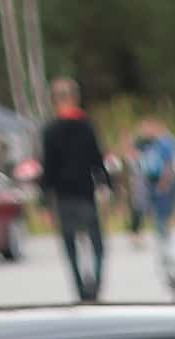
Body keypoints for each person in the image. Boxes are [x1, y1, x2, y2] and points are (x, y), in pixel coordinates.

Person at [37, 80, 110, 300]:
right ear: (75, 98)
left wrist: (44, 202)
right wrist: (106, 185)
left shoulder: (50, 130)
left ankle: (80, 288)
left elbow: (47, 167)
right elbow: (97, 159)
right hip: (85, 193)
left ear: (55, 101)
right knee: (96, 243)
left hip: (63, 196)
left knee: (70, 246)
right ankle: (95, 284)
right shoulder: (87, 125)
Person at [132, 118, 175, 234]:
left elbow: (168, 163)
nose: (144, 131)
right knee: (156, 210)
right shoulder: (147, 142)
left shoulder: (164, 142)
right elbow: (133, 152)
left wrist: (164, 180)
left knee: (164, 210)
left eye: (147, 128)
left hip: (162, 179)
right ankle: (162, 233)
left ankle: (166, 234)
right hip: (150, 179)